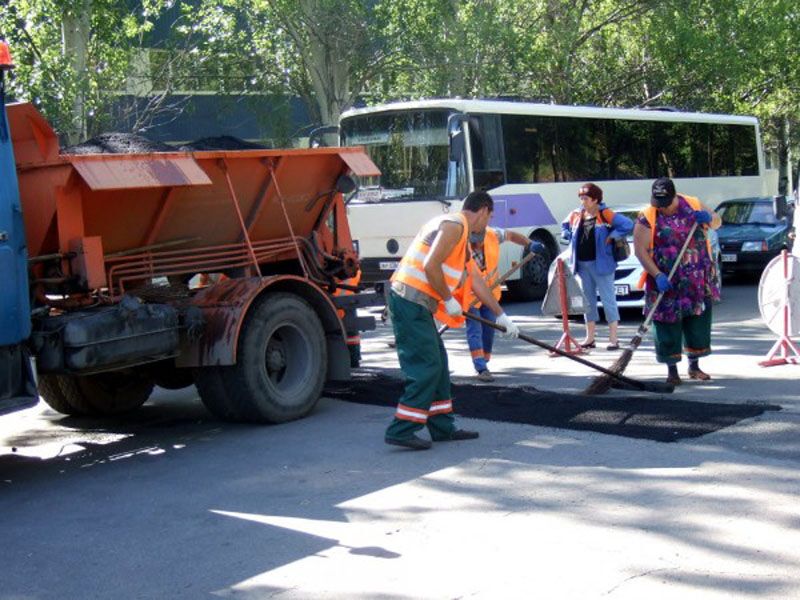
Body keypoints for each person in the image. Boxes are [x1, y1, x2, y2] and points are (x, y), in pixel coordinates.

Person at [385, 190, 521, 450]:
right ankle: (401, 429)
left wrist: (502, 317)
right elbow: (430, 265)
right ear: (482, 211)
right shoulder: (454, 226)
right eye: (490, 217)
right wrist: (449, 299)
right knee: (426, 365)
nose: (488, 224)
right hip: (409, 301)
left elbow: (477, 281)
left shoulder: (459, 234)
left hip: (417, 304)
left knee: (439, 362)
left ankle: (442, 427)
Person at [633, 177, 721, 385]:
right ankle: (672, 371)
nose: (662, 208)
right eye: (658, 204)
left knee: (697, 323)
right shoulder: (647, 216)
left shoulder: (693, 204)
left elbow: (717, 222)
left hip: (696, 279)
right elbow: (640, 251)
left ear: (675, 196)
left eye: (666, 203)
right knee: (666, 325)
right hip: (665, 281)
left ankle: (694, 366)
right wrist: (657, 275)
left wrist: (707, 217)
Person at [465, 224, 545, 382]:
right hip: (469, 296)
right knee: (474, 330)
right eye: (472, 242)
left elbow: (512, 235)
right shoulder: (461, 245)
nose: (476, 246)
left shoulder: (493, 235)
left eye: (478, 242)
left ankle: (485, 361)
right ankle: (480, 367)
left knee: (489, 329)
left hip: (490, 295)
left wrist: (529, 243)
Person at [561, 183, 633, 350]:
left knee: (608, 301)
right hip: (581, 265)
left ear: (595, 199)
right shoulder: (576, 214)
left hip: (602, 264)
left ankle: (613, 339)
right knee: (588, 302)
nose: (582, 201)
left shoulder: (605, 213)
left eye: (585, 198)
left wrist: (613, 236)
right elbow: (564, 226)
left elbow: (627, 224)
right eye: (581, 198)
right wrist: (566, 234)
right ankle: (590, 338)